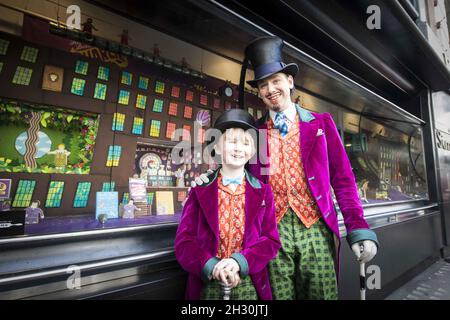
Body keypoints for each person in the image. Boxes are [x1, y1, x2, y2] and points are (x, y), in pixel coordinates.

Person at [194, 36, 379, 300]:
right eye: (263, 84)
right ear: (259, 91)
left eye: (276, 81)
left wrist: (358, 228)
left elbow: (344, 181)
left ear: (290, 82)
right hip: (272, 234)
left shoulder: (321, 124)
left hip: (315, 228)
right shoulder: (254, 133)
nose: (271, 89)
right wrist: (208, 179)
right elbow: (235, 170)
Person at [175, 108, 281, 300]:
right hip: (206, 285)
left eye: (246, 143)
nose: (239, 148)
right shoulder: (199, 190)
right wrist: (209, 264)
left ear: (253, 151)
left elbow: (270, 240)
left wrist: (241, 261)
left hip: (249, 284)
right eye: (231, 141)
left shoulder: (264, 192)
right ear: (216, 146)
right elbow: (184, 242)